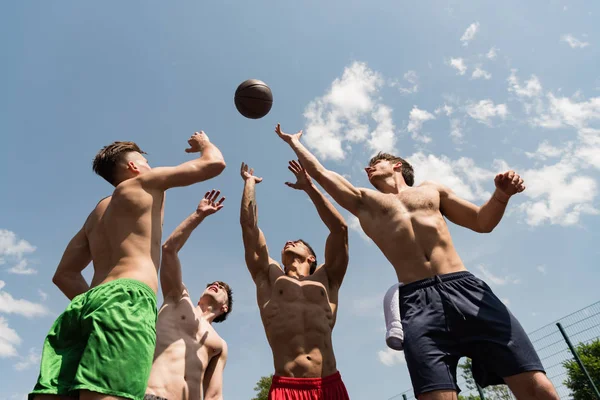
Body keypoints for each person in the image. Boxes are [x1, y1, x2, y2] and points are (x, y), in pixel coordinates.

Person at [274, 124, 559, 400]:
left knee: (539, 390)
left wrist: (501, 195)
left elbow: (482, 222)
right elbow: (321, 173)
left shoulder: (432, 190)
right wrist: (294, 142)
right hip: (418, 301)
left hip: (466, 289)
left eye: (377, 162)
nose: (367, 168)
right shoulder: (365, 202)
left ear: (397, 165)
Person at [30, 132, 226, 400]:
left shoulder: (96, 213)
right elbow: (214, 163)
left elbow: (64, 275)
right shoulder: (145, 182)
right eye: (144, 161)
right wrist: (203, 143)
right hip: (126, 299)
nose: (149, 165)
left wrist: (98, 306)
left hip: (83, 306)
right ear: (134, 166)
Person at [239, 160, 350, 399]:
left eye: (298, 243)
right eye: (287, 244)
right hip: (286, 386)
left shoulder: (327, 277)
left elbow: (340, 229)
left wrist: (309, 187)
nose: (289, 242)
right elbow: (249, 228)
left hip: (327, 384)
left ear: (311, 257)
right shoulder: (269, 275)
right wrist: (249, 183)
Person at [145, 190, 232, 400]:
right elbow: (169, 250)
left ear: (225, 308)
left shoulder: (219, 345)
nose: (215, 284)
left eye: (222, 287)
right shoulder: (178, 298)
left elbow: (214, 394)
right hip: (149, 394)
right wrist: (198, 215)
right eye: (212, 283)